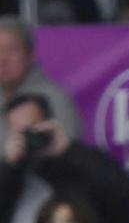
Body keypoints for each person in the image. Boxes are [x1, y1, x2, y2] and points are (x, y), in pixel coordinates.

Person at [0, 92, 129, 223]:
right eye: (21, 133)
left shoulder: (78, 161)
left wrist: (68, 150)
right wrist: (9, 166)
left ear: (49, 123)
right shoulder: (9, 174)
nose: (29, 138)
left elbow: (122, 194)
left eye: (34, 129)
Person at [0, 16, 82, 153]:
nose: (3, 59)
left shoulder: (54, 98)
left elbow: (70, 153)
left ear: (30, 55)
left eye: (11, 51)